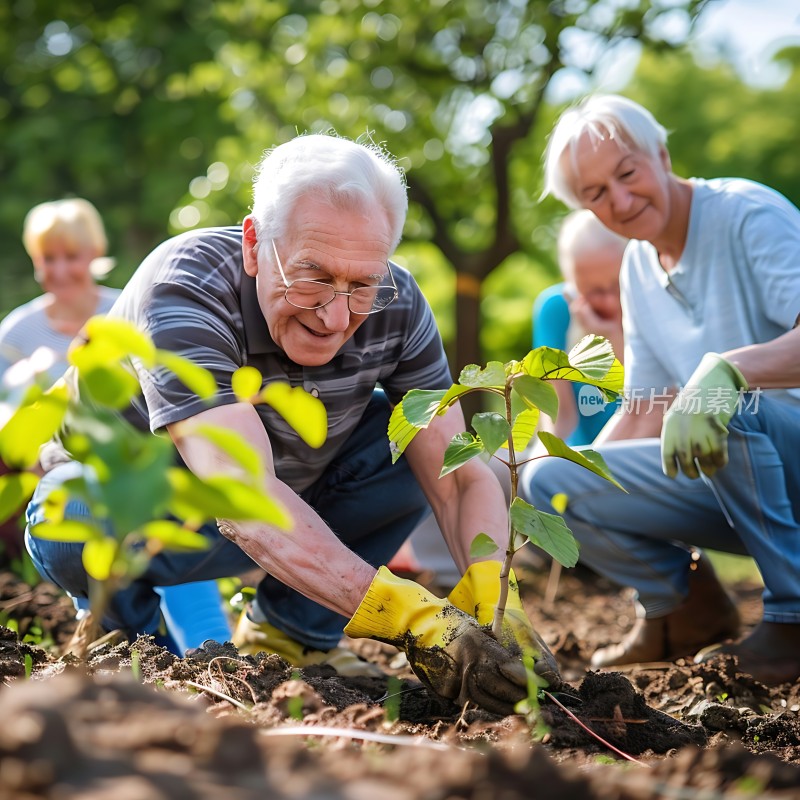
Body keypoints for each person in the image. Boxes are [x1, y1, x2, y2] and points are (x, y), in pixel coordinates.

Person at [24, 134, 560, 714]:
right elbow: (244, 494)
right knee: (71, 518)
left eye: (361, 285)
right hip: (145, 518)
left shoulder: (398, 303)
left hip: (294, 508)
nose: (334, 316)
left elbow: (454, 475)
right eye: (313, 275)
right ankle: (125, 646)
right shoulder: (183, 287)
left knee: (404, 436)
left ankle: (293, 635)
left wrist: (494, 596)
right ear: (254, 244)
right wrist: (406, 617)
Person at [519, 93, 800, 686]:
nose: (620, 200)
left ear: (662, 154)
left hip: (786, 451)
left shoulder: (748, 214)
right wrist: (560, 485)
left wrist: (729, 370)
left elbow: (721, 386)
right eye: (596, 194)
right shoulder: (638, 268)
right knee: (552, 481)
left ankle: (793, 618)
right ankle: (686, 609)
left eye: (628, 173)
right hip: (742, 483)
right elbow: (645, 408)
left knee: (725, 400)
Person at [0, 198, 230, 654]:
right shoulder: (17, 334)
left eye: (72, 256)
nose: (61, 269)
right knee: (97, 570)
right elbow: (11, 423)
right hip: (72, 478)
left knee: (177, 558)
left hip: (148, 467)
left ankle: (214, 654)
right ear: (34, 261)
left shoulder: (129, 309)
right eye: (49, 258)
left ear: (95, 255)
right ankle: (135, 647)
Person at [533, 209, 627, 446]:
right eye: (594, 291)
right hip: (581, 456)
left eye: (619, 286)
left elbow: (652, 406)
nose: (610, 301)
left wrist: (615, 342)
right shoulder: (557, 310)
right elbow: (559, 419)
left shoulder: (655, 303)